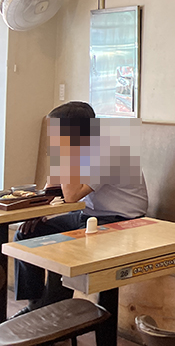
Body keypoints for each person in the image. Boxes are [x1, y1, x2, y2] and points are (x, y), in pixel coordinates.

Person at [13, 101, 148, 316]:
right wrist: (39, 215)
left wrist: (66, 152)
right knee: (26, 234)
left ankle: (51, 314)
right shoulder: (83, 149)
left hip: (123, 221)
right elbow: (52, 190)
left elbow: (72, 195)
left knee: (62, 249)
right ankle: (35, 305)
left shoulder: (110, 151)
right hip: (90, 216)